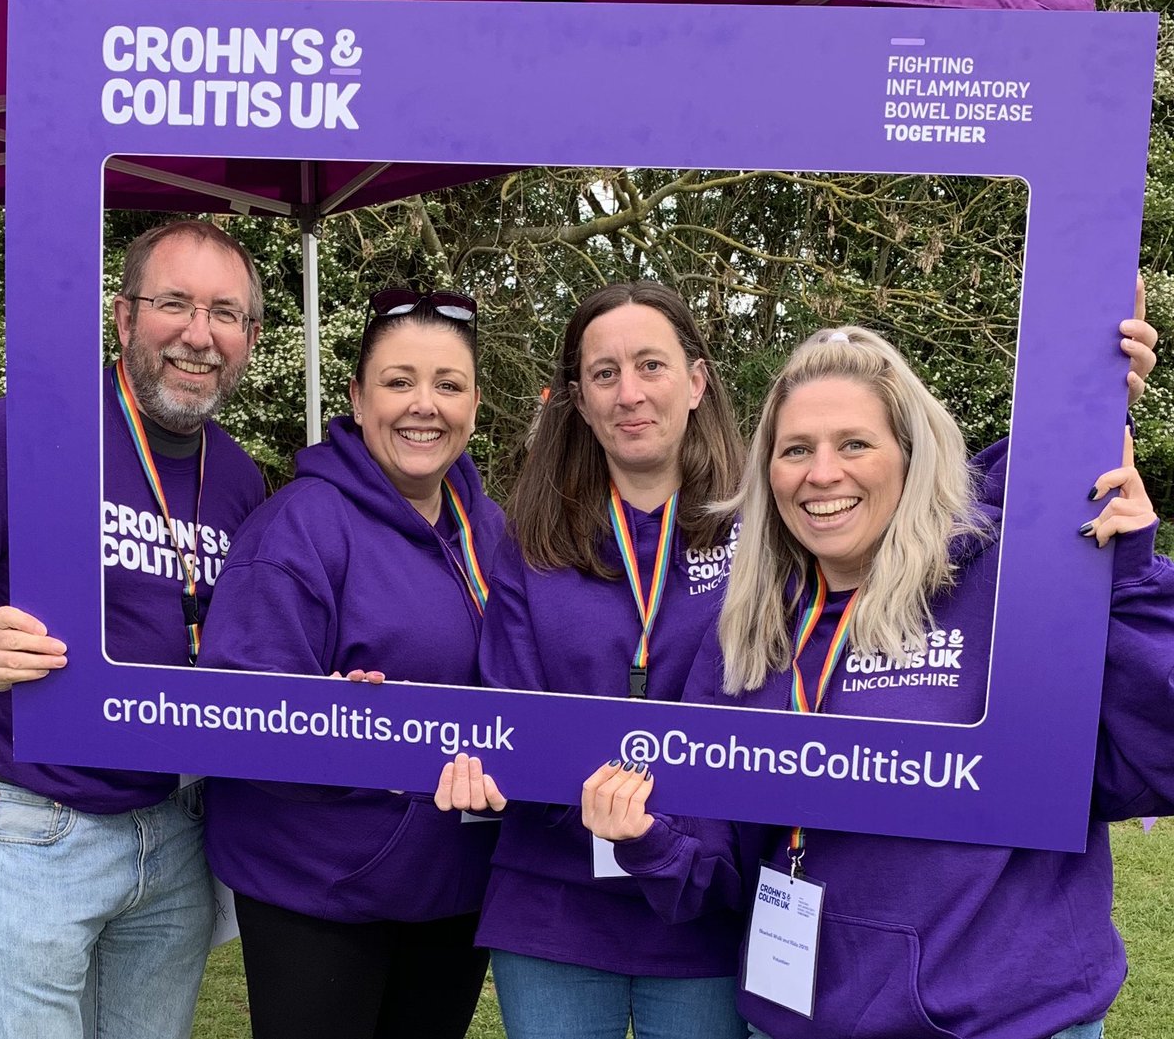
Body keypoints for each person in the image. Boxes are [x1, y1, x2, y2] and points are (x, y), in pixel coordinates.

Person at [584, 325, 1174, 1039]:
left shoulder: (1004, 581)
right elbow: (717, 868)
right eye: (796, 449)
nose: (822, 473)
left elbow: (1154, 757)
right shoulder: (747, 634)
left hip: (1007, 1022)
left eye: (854, 443)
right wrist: (644, 837)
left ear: (909, 456)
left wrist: (1130, 580)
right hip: (797, 1020)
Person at [0, 219, 265, 1039]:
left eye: (225, 313)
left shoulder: (241, 476)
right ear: (124, 315)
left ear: (248, 336)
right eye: (175, 303)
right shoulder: (24, 432)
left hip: (177, 835)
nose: (199, 335)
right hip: (39, 826)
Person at [438, 281, 752, 1039]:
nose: (630, 392)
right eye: (604, 373)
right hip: (554, 906)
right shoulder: (531, 539)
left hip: (700, 902)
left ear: (697, 381)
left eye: (651, 364)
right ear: (578, 399)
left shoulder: (761, 534)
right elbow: (514, 709)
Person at [198, 288, 505, 1039]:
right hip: (323, 889)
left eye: (448, 384)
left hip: (454, 886)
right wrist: (334, 725)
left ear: (475, 403)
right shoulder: (298, 527)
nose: (423, 405)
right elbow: (239, 715)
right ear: (358, 398)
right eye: (399, 381)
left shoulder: (488, 525)